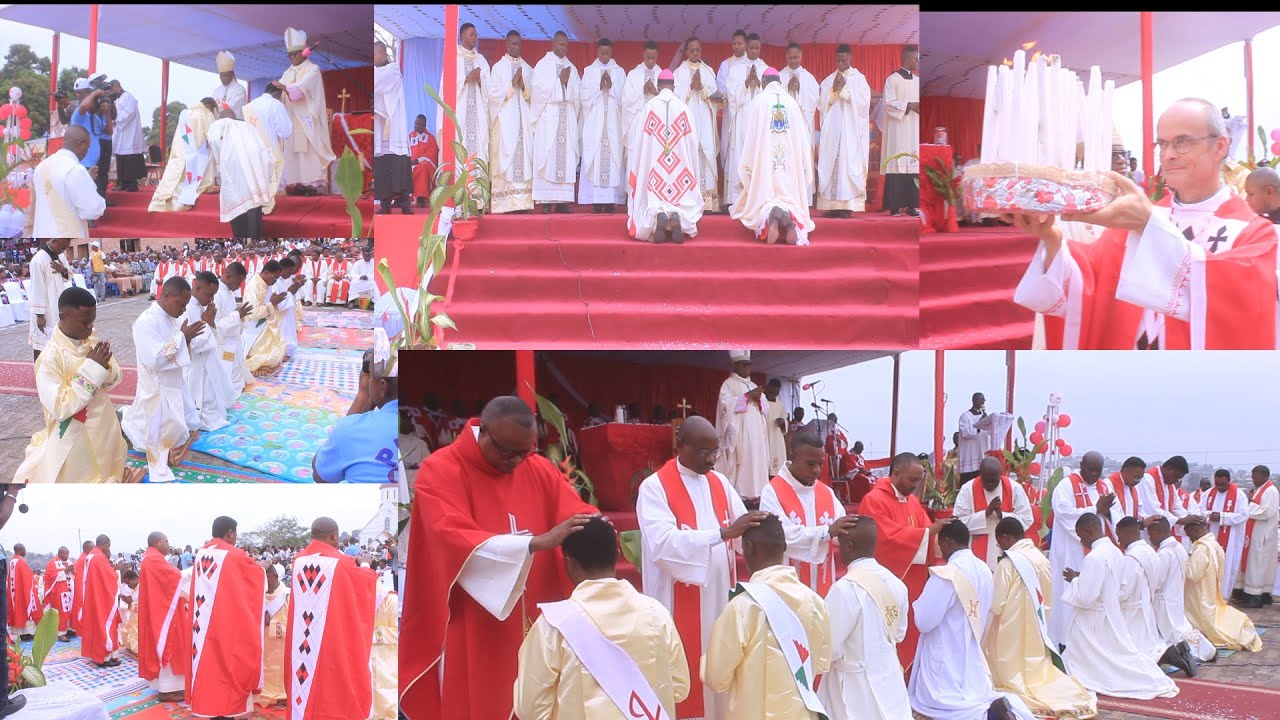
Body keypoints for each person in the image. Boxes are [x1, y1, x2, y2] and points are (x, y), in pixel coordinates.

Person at [1014, 98, 1280, 350]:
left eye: (1182, 142)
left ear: (1220, 146)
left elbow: (1241, 308)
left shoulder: (1254, 233)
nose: (1168, 155)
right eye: (1162, 144)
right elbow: (1090, 284)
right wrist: (1052, 238)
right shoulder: (1140, 220)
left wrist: (1148, 225)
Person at [399, 396, 599, 720]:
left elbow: (572, 510)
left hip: (539, 607)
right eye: (508, 452)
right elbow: (449, 536)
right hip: (478, 617)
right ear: (485, 433)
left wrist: (593, 524)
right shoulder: (441, 470)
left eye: (525, 451)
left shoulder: (536, 467)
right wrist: (532, 543)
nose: (517, 461)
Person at [635, 415, 762, 719]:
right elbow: (662, 544)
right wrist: (721, 534)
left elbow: (740, 528)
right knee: (686, 673)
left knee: (720, 668)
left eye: (714, 451)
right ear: (680, 445)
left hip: (720, 598)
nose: (711, 459)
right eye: (704, 452)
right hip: (679, 600)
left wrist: (759, 528)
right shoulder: (655, 487)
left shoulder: (719, 482)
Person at [514, 516, 690, 719]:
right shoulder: (657, 614)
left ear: (569, 562)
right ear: (617, 555)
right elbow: (679, 687)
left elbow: (531, 709)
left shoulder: (553, 625)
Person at [704, 515, 831, 719]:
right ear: (784, 548)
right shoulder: (816, 603)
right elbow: (822, 664)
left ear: (748, 547)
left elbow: (715, 678)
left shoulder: (743, 606)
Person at [909, 520, 1036, 720]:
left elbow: (924, 621)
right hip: (972, 649)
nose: (939, 549)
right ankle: (993, 709)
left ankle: (987, 715)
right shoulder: (983, 568)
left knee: (938, 703)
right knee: (973, 692)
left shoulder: (947, 574)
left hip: (944, 653)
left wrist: (917, 604)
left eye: (939, 544)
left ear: (948, 541)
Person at [984, 518, 1096, 719]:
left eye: (999, 542)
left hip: (1010, 630)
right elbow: (1046, 596)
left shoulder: (1008, 563)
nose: (999, 547)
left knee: (1012, 672)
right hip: (1037, 623)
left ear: (1005, 537)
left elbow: (996, 604)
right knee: (1035, 669)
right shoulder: (1041, 557)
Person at [13, 287, 126, 484]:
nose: (90, 327)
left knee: (110, 462)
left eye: (93, 320)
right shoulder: (49, 358)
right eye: (85, 321)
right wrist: (93, 369)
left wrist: (105, 367)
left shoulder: (90, 338)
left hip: (104, 423)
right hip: (75, 436)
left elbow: (115, 378)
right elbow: (60, 407)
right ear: (63, 316)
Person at [1060, 513, 1179, 699]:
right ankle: (1150, 677)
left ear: (1088, 530)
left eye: (1080, 535)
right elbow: (1114, 585)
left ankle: (1136, 679)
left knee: (1102, 658)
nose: (1081, 540)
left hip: (1093, 618)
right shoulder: (1115, 551)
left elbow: (1086, 597)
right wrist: (1082, 578)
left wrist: (1075, 581)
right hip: (1112, 613)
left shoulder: (1094, 557)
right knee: (1116, 655)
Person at [856, 452, 945, 671]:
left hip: (913, 581)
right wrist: (926, 533)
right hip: (886, 580)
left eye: (918, 480)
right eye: (912, 480)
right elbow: (884, 538)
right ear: (896, 474)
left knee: (909, 628)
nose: (915, 486)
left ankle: (907, 674)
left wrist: (937, 534)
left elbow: (926, 530)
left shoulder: (912, 501)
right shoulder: (874, 500)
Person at [818, 515, 911, 720]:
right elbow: (899, 634)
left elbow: (829, 648)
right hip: (889, 675)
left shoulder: (845, 588)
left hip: (853, 684)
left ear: (849, 546)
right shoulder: (897, 584)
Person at [285, 517, 377, 719]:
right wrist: (364, 565)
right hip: (330, 631)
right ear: (334, 535)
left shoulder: (298, 560)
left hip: (302, 635)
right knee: (331, 679)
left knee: (304, 680)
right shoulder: (341, 563)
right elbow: (364, 587)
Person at [121, 277, 204, 483]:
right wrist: (182, 338)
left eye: (185, 305)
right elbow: (154, 359)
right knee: (155, 435)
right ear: (166, 296)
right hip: (155, 385)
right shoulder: (145, 322)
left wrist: (186, 339)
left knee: (184, 426)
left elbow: (180, 351)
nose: (183, 310)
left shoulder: (172, 318)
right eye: (181, 304)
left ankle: (128, 418)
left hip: (173, 382)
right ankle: (126, 422)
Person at [187, 516, 266, 717]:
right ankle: (230, 710)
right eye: (235, 533)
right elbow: (255, 579)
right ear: (230, 533)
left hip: (202, 621)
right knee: (231, 663)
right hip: (227, 619)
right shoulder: (234, 555)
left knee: (208, 664)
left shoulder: (201, 553)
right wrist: (263, 567)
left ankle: (208, 707)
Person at [759, 433, 853, 597]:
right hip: (788, 586)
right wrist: (826, 532)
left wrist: (853, 531)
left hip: (823, 582)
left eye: (820, 464)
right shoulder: (772, 491)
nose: (816, 470)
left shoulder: (826, 492)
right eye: (810, 464)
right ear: (793, 456)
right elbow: (779, 536)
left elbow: (840, 530)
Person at [732, 65, 816, 245]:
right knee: (791, 197)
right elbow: (802, 139)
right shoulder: (792, 103)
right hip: (789, 168)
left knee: (762, 197)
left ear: (763, 82)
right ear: (780, 82)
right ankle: (787, 217)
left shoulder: (759, 101)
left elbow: (749, 135)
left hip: (765, 166)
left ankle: (772, 216)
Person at [625, 69, 703, 243]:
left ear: (658, 86)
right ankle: (676, 214)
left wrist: (638, 165)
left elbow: (639, 141)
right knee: (682, 196)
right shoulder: (683, 108)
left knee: (653, 195)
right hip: (679, 167)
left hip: (655, 168)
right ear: (673, 87)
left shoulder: (649, 107)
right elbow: (693, 142)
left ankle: (659, 214)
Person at [313, 333, 399, 484]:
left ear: (382, 386)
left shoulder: (352, 429)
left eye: (371, 376)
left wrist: (363, 397)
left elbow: (321, 476)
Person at [1047, 450, 1109, 648]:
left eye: (1098, 471)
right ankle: (1065, 640)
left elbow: (1115, 514)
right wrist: (1096, 509)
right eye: (1091, 470)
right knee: (1068, 592)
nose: (1094, 475)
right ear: (1081, 465)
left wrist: (1108, 513)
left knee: (1093, 593)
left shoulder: (1104, 487)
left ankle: (1092, 641)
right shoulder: (1065, 486)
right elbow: (1064, 513)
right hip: (1070, 550)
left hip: (1096, 552)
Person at [1117, 516, 1192, 674]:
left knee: (1136, 644)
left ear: (1126, 533)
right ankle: (1175, 653)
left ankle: (1168, 655)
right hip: (1156, 601)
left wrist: (1109, 591)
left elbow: (1125, 591)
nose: (1118, 540)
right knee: (1151, 639)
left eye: (1119, 535)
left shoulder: (1132, 557)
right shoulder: (1152, 551)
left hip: (1139, 606)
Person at [1180, 516, 1263, 652]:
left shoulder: (1202, 549)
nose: (1190, 539)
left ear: (1195, 530)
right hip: (1210, 591)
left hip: (1199, 595)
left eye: (1189, 535)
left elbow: (1192, 575)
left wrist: (1184, 561)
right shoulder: (1214, 544)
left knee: (1208, 623)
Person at [1146, 516, 1218, 664]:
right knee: (1182, 628)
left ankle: (1193, 654)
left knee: (1174, 634)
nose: (1149, 538)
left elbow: (1158, 581)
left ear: (1157, 531)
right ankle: (1207, 650)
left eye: (1150, 534)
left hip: (1164, 600)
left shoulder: (1164, 554)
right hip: (1176, 595)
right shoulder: (1178, 547)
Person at [277, 28, 337, 191]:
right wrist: (275, 92)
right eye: (289, 55)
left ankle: (311, 184)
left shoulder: (313, 69)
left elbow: (299, 91)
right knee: (291, 150)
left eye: (295, 54)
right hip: (291, 118)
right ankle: (294, 182)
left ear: (304, 52)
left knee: (309, 151)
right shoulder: (287, 73)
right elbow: (282, 92)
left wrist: (284, 88)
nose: (292, 57)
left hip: (307, 119)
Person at [816, 44, 870, 218]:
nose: (840, 63)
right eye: (838, 60)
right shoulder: (828, 80)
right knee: (831, 163)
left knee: (847, 164)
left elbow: (864, 103)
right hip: (833, 131)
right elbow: (821, 105)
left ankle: (847, 206)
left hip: (850, 132)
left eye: (843, 60)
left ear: (849, 58)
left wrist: (844, 90)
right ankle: (832, 206)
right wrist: (833, 90)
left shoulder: (859, 79)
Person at [531, 31, 581, 214]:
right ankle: (546, 201)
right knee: (548, 156)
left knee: (565, 158)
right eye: (561, 44)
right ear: (553, 44)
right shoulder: (543, 65)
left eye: (566, 45)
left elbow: (578, 94)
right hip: (549, 119)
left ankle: (563, 201)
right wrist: (560, 82)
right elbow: (537, 91)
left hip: (566, 119)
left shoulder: (571, 67)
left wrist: (567, 85)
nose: (564, 48)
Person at [954, 457, 1035, 569]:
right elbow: (959, 524)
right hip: (975, 553)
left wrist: (1002, 515)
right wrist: (985, 514)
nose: (990, 484)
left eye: (994, 480)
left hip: (1008, 552)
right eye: (986, 480)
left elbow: (1027, 519)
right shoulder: (968, 489)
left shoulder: (1014, 488)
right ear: (980, 474)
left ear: (1000, 475)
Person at [206, 109, 276, 239]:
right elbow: (267, 153)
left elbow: (214, 142)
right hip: (255, 168)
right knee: (254, 202)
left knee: (237, 200)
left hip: (233, 167)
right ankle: (255, 236)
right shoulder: (250, 127)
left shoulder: (220, 124)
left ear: (222, 118)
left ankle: (240, 236)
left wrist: (219, 164)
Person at [137, 531, 189, 702]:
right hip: (164, 613)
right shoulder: (153, 559)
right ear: (158, 542)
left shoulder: (150, 557)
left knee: (168, 645)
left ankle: (169, 687)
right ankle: (168, 690)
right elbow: (173, 579)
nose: (168, 545)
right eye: (166, 541)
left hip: (162, 608)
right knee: (169, 646)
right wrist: (192, 573)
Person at [487, 30, 535, 214]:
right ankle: (505, 203)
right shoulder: (498, 68)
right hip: (506, 122)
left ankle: (523, 203)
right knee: (506, 157)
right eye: (513, 44)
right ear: (506, 45)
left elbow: (535, 97)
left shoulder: (528, 69)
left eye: (518, 44)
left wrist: (523, 87)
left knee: (524, 159)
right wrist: (511, 85)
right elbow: (492, 95)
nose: (516, 47)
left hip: (523, 122)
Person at [673, 36, 721, 213]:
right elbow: (676, 98)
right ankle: (689, 200)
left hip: (706, 121)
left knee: (706, 155)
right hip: (688, 122)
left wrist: (701, 88)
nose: (695, 53)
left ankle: (708, 203)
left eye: (698, 50)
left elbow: (716, 98)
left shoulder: (708, 71)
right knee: (689, 154)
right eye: (692, 50)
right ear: (686, 51)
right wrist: (689, 88)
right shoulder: (679, 72)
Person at [31, 125, 106, 238]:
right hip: (66, 237)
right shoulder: (75, 169)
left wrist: (86, 181)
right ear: (80, 144)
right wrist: (90, 186)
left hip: (42, 235)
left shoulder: (41, 167)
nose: (87, 151)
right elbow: (93, 210)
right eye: (88, 147)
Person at [715, 350, 771, 498]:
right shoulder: (728, 384)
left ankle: (759, 492)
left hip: (757, 430)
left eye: (749, 365)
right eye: (744, 365)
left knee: (758, 457)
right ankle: (742, 493)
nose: (747, 368)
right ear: (735, 366)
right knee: (743, 459)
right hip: (740, 430)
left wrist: (759, 400)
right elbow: (724, 406)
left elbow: (766, 408)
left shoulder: (753, 384)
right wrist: (746, 397)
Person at [724, 34, 770, 210]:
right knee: (740, 154)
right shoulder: (735, 69)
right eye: (750, 48)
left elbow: (770, 93)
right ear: (746, 48)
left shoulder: (765, 69)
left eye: (756, 48)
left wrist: (758, 83)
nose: (753, 51)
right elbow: (731, 94)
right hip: (742, 117)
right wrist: (746, 83)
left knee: (757, 154)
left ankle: (757, 197)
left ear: (760, 48)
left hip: (758, 119)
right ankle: (737, 198)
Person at [148, 99, 217, 212]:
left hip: (181, 148)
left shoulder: (185, 113)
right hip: (197, 150)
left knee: (177, 174)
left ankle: (164, 200)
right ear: (212, 107)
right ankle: (185, 197)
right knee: (195, 172)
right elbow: (212, 136)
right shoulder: (207, 114)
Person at [184, 271, 232, 431]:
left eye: (213, 295)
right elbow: (190, 344)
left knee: (212, 391)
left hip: (208, 359)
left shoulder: (203, 307)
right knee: (198, 395)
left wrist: (210, 323)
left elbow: (211, 336)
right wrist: (206, 323)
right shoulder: (185, 309)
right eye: (209, 294)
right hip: (194, 364)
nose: (211, 299)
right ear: (197, 288)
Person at [1198, 468, 1251, 600]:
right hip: (1211, 533)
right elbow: (1199, 510)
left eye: (1222, 484)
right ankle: (1207, 596)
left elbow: (1243, 515)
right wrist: (1210, 515)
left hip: (1231, 538)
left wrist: (1222, 517)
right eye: (1217, 484)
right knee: (1209, 564)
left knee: (1227, 566)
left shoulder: (1239, 495)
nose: (1219, 487)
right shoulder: (1208, 493)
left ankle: (1223, 597)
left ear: (1229, 481)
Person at [374, 41, 413, 215]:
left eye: (374, 55)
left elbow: (378, 82)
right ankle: (385, 204)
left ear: (382, 53)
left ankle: (404, 203)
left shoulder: (393, 69)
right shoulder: (376, 70)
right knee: (383, 166)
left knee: (399, 165)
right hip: (380, 125)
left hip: (394, 125)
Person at [242, 84, 292, 215]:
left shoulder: (249, 106)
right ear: (277, 94)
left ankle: (255, 206)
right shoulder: (276, 105)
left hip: (252, 149)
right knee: (274, 177)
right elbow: (285, 132)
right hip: (270, 149)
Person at [882, 46, 920, 216]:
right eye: (915, 58)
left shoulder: (918, 81)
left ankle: (912, 206)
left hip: (913, 128)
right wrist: (909, 106)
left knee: (912, 162)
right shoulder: (892, 80)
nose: (918, 62)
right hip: (897, 129)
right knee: (897, 164)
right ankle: (895, 206)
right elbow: (888, 103)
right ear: (907, 58)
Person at [450, 22, 490, 167]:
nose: (475, 38)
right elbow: (446, 86)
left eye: (476, 35)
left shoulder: (481, 60)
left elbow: (490, 88)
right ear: (462, 36)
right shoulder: (453, 58)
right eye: (471, 35)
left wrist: (480, 81)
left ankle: (478, 181)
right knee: (460, 143)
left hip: (478, 114)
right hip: (460, 113)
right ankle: (460, 179)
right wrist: (466, 79)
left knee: (479, 145)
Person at [1238, 465, 1278, 607]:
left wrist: (1248, 510)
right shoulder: (1259, 490)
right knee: (1254, 565)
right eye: (1252, 477)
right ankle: (1255, 595)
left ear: (1264, 475)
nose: (1253, 480)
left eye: (1255, 477)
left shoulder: (1271, 491)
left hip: (1263, 535)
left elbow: (1267, 512)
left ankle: (1255, 598)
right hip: (1254, 534)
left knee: (1259, 565)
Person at [80, 534, 123, 668]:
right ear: (103, 543)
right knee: (104, 625)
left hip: (94, 596)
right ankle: (104, 658)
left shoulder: (91, 556)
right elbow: (109, 578)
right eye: (108, 545)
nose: (109, 548)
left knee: (97, 625)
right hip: (102, 599)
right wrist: (117, 571)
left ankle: (100, 656)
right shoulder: (99, 558)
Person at [27, 238, 72, 360]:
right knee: (42, 344)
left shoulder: (60, 256)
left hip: (59, 304)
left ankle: (57, 367)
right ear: (53, 241)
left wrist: (63, 270)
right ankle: (39, 369)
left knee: (59, 342)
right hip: (45, 308)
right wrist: (40, 315)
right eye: (61, 247)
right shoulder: (38, 260)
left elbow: (68, 277)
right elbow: (37, 288)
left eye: (65, 248)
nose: (62, 251)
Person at [214, 261, 255, 397]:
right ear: (228, 275)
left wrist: (239, 315)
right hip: (223, 343)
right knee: (226, 369)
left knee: (235, 367)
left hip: (233, 340)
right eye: (237, 282)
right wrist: (237, 315)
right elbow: (215, 325)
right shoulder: (216, 294)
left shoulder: (228, 291)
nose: (238, 286)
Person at [70, 78, 114, 199]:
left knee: (91, 197)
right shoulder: (79, 115)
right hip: (82, 164)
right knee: (83, 198)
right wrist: (95, 93)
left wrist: (107, 112)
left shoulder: (95, 117)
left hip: (93, 165)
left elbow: (109, 131)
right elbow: (84, 106)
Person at [242, 260, 288, 374]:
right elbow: (253, 313)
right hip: (254, 327)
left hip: (264, 323)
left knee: (277, 344)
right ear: (266, 272)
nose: (274, 282)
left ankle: (262, 364)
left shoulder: (265, 283)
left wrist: (275, 302)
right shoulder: (254, 286)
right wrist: (272, 304)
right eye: (274, 278)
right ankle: (253, 365)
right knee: (269, 350)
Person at [255, 563, 288, 708]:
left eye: (265, 579)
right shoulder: (258, 596)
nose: (262, 583)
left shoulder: (288, 596)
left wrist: (271, 624)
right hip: (262, 648)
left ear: (274, 576)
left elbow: (295, 628)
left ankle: (283, 694)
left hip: (282, 650)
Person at [621, 40, 662, 155]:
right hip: (637, 121)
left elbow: (669, 99)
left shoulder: (661, 74)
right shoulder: (633, 74)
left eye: (653, 58)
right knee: (637, 153)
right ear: (643, 55)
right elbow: (626, 100)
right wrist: (642, 92)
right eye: (648, 58)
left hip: (657, 122)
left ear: (657, 56)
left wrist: (656, 93)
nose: (651, 61)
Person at [1144, 456, 1193, 547]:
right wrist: (1179, 520)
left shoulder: (1170, 483)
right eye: (1176, 477)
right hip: (1148, 533)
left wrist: (1188, 519)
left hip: (1161, 532)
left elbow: (1177, 507)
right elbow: (1153, 511)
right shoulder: (1148, 479)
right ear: (1169, 469)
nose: (1176, 481)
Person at [110, 79, 147, 192]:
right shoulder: (119, 99)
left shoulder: (127, 97)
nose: (111, 92)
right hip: (121, 133)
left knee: (129, 158)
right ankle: (123, 183)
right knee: (121, 157)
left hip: (129, 133)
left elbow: (129, 113)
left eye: (111, 89)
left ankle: (132, 184)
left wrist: (116, 119)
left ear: (116, 86)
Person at [956, 392, 990, 483]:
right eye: (981, 400)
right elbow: (966, 432)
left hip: (982, 452)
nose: (983, 402)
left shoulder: (985, 416)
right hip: (970, 454)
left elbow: (989, 432)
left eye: (984, 400)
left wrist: (989, 422)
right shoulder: (965, 416)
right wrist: (980, 423)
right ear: (974, 400)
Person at [43, 547, 74, 642]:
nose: (67, 555)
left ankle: (70, 629)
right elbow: (50, 577)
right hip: (59, 593)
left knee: (71, 610)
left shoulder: (70, 562)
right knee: (61, 612)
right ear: (59, 553)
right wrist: (64, 571)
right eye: (64, 553)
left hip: (71, 592)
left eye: (68, 553)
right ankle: (61, 633)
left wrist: (74, 572)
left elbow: (76, 575)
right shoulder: (52, 563)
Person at [409, 115, 438, 208]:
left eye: (420, 124)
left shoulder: (430, 138)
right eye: (416, 124)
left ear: (425, 125)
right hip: (410, 164)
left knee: (423, 167)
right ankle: (400, 198)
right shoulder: (410, 136)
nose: (417, 126)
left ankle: (421, 197)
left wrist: (416, 161)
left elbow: (431, 157)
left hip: (424, 166)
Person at [7, 545, 35, 640]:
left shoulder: (12, 561)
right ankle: (25, 633)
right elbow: (27, 576)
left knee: (17, 610)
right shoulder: (21, 561)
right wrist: (31, 573)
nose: (25, 551)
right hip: (21, 591)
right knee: (23, 609)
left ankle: (21, 632)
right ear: (21, 550)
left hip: (14, 591)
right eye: (25, 549)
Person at [763, 378, 788, 474]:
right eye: (772, 392)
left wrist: (783, 422)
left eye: (776, 392)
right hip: (764, 436)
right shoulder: (761, 402)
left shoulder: (780, 405)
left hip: (777, 438)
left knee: (777, 467)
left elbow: (785, 420)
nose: (773, 394)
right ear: (767, 388)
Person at [212, 50, 247, 119]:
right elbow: (213, 107)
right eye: (221, 76)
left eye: (226, 75)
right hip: (220, 123)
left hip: (235, 122)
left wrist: (217, 107)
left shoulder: (239, 89)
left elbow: (233, 107)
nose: (223, 78)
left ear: (232, 74)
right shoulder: (216, 91)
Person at [70, 540, 94, 640]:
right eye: (92, 548)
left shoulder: (83, 559)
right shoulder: (85, 560)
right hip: (83, 590)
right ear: (87, 548)